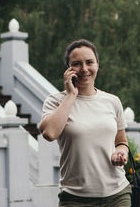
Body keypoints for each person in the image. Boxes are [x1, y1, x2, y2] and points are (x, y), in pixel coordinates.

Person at [39, 39, 131, 207]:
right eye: (76, 64)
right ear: (68, 69)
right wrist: (71, 95)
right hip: (75, 198)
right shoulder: (55, 101)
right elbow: (50, 133)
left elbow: (121, 141)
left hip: (117, 194)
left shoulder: (112, 101)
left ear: (97, 65)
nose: (84, 69)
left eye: (89, 62)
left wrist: (120, 153)